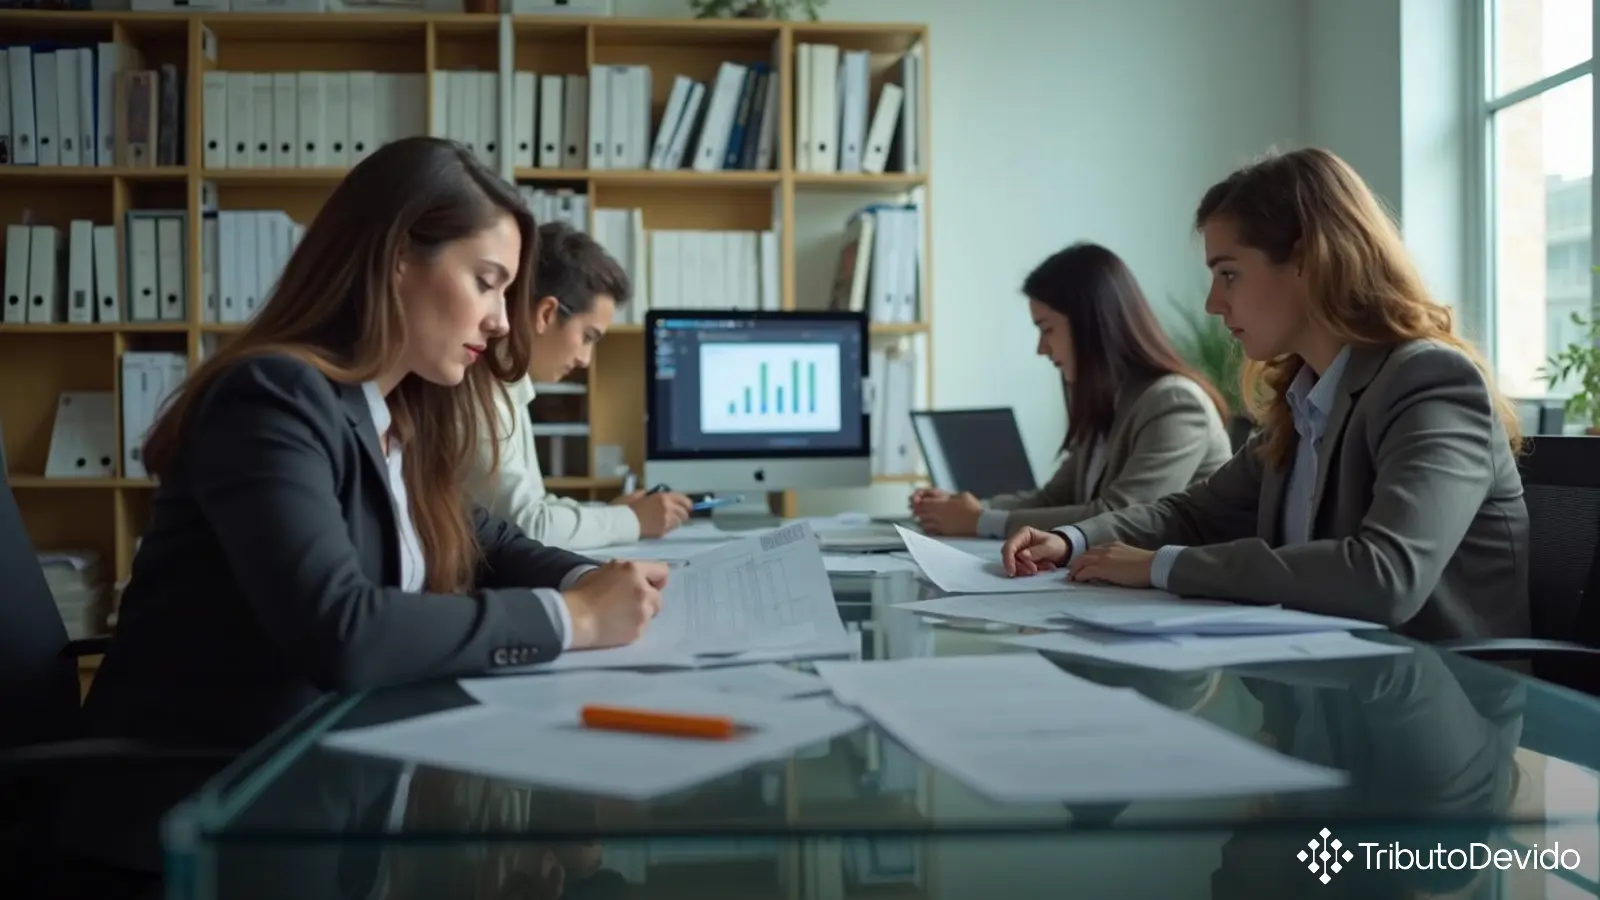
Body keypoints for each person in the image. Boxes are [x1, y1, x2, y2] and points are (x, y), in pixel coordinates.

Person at [48, 137, 668, 898]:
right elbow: (341, 629)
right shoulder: (271, 398)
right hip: (200, 827)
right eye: (486, 283)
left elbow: (492, 540)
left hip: (329, 790)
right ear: (397, 257)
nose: (504, 322)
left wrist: (597, 578)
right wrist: (572, 618)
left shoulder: (395, 412)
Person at [1001, 147, 1531, 643]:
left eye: (1228, 274)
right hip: (1321, 688)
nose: (1213, 303)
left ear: (1308, 259)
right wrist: (1072, 540)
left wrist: (1164, 566)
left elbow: (1385, 576)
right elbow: (1194, 515)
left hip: (1439, 707)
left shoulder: (1429, 382)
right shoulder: (1303, 402)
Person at [910, 242, 1232, 538]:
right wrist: (962, 509)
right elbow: (1051, 499)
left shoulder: (1174, 403)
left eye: (1047, 329)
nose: (1041, 348)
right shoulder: (1111, 402)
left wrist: (980, 520)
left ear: (1091, 324)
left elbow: (1122, 515)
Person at [465, 221, 693, 550]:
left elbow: (537, 505)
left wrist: (616, 514)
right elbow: (528, 525)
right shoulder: (479, 390)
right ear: (546, 313)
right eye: (587, 337)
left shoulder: (510, 385)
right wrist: (633, 521)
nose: (586, 359)